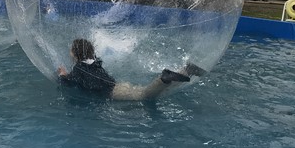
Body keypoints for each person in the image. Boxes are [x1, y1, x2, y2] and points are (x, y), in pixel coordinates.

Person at [57, 38, 205, 100]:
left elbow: (72, 81)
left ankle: (164, 78)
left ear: (76, 53)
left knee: (145, 95)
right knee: (155, 91)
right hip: (118, 85)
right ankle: (186, 70)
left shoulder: (79, 68)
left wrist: (63, 75)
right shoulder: (92, 62)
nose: (69, 52)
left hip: (114, 92)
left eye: (71, 50)